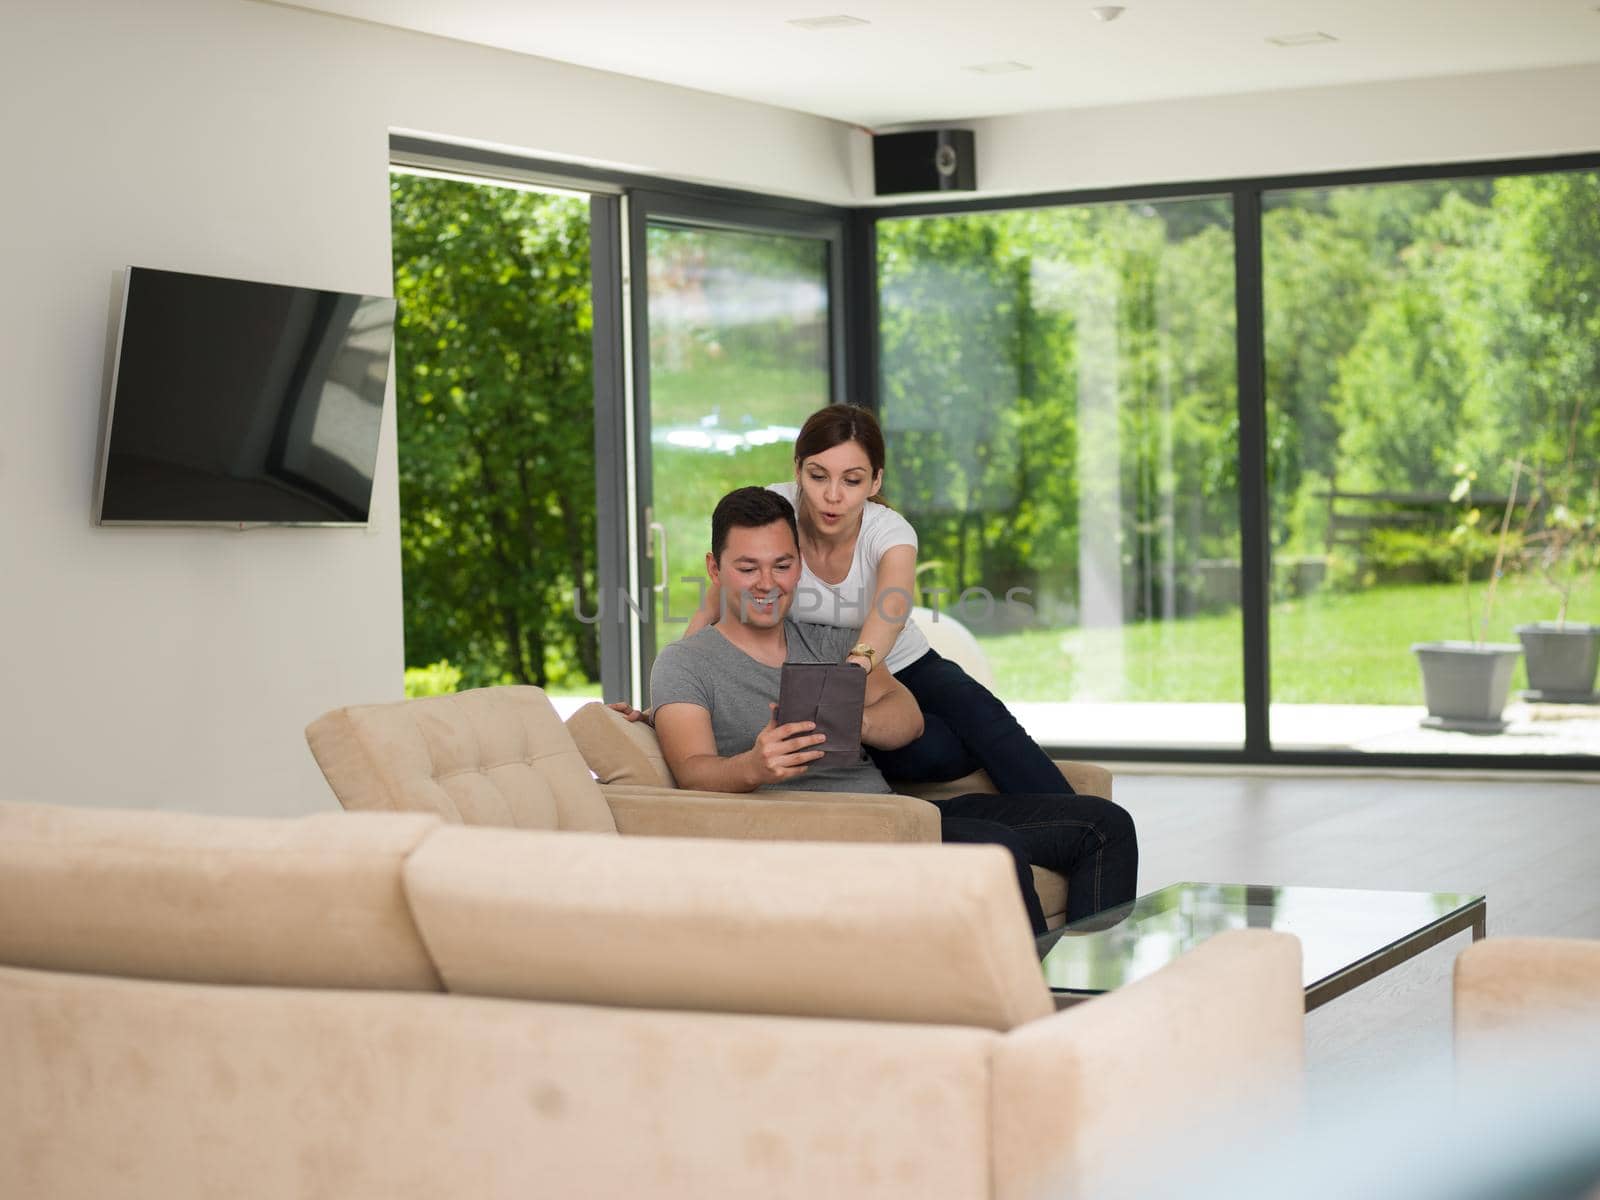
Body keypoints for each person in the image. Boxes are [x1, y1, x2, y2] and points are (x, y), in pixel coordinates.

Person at [634, 486, 1137, 935]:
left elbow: (907, 716)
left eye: (782, 565)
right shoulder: (684, 663)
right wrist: (753, 765)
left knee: (1105, 825)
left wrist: (861, 720)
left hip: (899, 813)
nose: (768, 583)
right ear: (715, 569)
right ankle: (1038, 1005)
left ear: (799, 566)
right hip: (837, 829)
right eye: (748, 568)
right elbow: (692, 771)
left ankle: (1097, 995)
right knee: (994, 848)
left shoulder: (832, 640)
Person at [685, 403, 1069, 795]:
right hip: (820, 666)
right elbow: (716, 600)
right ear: (798, 469)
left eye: (851, 481)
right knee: (932, 753)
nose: (832, 496)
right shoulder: (774, 514)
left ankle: (1077, 822)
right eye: (818, 477)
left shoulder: (889, 531)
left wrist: (852, 672)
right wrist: (667, 696)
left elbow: (893, 609)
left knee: (987, 721)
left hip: (898, 662)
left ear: (874, 482)